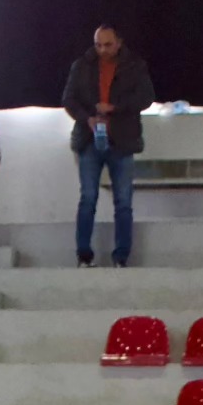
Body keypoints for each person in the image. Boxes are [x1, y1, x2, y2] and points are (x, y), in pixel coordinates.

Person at [62, 25, 154, 269]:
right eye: (98, 45)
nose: (102, 50)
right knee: (88, 198)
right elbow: (68, 99)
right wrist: (87, 119)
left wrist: (115, 107)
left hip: (122, 141)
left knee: (123, 201)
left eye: (108, 45)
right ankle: (83, 255)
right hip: (89, 140)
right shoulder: (81, 66)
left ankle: (121, 257)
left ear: (119, 43)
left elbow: (146, 97)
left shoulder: (135, 66)